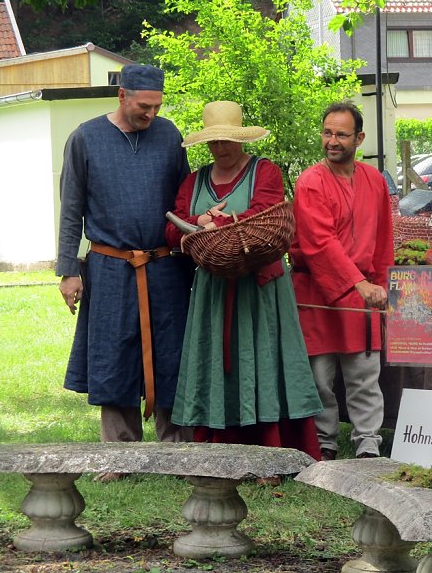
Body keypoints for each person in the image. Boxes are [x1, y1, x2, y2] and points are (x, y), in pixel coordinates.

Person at [57, 64, 193, 481]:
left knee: (171, 352)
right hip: (111, 266)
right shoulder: (85, 138)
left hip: (165, 265)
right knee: (113, 353)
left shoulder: (170, 136)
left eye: (156, 106)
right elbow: (71, 209)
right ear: (122, 96)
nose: (150, 113)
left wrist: (198, 240)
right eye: (142, 105)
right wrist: (68, 270)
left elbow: (184, 198)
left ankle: (174, 451)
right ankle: (119, 456)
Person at [165, 101, 322, 459]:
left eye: (227, 141)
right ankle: (219, 443)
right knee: (219, 360)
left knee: (262, 358)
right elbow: (172, 230)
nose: (220, 149)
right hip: (215, 289)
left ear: (241, 140)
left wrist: (211, 223)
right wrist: (197, 223)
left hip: (259, 287)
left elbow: (263, 214)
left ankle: (270, 445)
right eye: (214, 142)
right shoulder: (195, 180)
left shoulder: (264, 172)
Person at [290, 102, 394, 461]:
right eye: (327, 133)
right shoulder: (310, 181)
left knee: (365, 373)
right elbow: (319, 243)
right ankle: (324, 442)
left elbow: (383, 241)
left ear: (359, 138)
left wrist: (379, 285)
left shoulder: (375, 180)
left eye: (341, 134)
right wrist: (357, 283)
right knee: (320, 379)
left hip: (362, 293)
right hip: (316, 292)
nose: (332, 141)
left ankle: (367, 440)